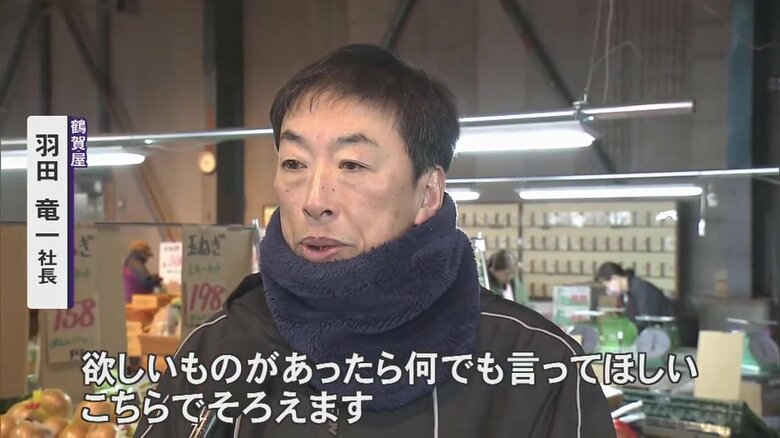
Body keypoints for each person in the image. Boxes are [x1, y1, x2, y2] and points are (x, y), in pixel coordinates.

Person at [134, 44, 615, 437]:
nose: (315, 201)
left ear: (427, 193)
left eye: (352, 165)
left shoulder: (538, 366)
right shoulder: (215, 351)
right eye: (294, 163)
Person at [594, 261, 673, 326]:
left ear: (614, 278)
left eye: (607, 286)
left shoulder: (641, 289)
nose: (608, 291)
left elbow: (645, 321)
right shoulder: (625, 294)